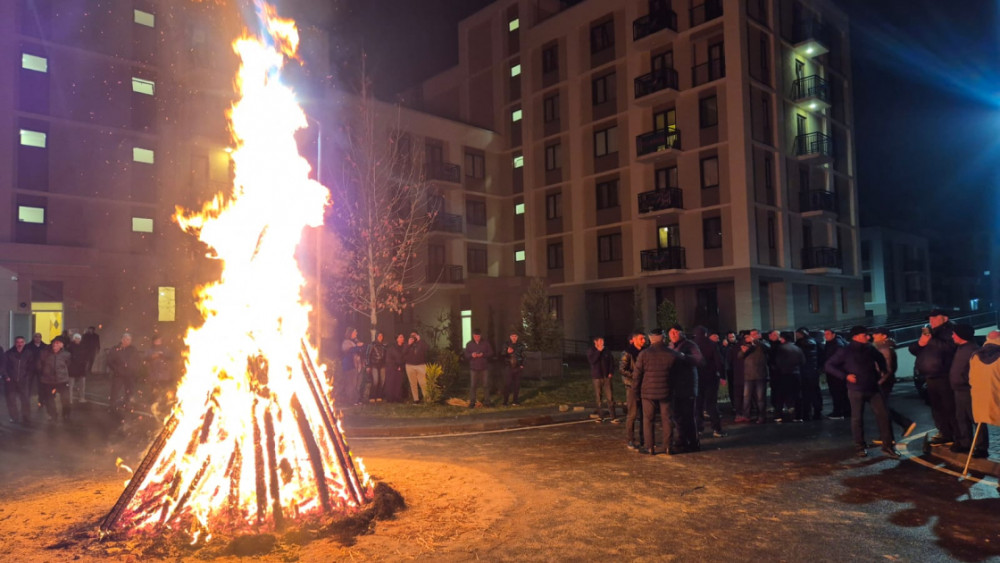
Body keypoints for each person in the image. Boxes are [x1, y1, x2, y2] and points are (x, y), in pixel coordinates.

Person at [825, 326, 900, 459]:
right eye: (865, 335)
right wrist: (845, 376)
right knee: (857, 419)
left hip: (873, 388)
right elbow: (829, 365)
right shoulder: (845, 351)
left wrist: (882, 370)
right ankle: (860, 447)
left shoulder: (870, 348)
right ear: (856, 337)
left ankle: (888, 446)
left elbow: (881, 359)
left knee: (884, 416)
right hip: (856, 390)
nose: (868, 337)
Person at [908, 309, 957, 445]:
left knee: (949, 406)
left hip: (944, 375)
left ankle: (955, 433)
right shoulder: (931, 332)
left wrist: (931, 340)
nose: (931, 320)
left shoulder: (951, 331)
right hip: (930, 376)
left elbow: (950, 348)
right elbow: (913, 349)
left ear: (945, 318)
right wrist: (921, 343)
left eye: (935, 318)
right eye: (930, 318)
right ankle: (944, 432)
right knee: (936, 406)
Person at [633, 328, 685, 455]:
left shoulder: (644, 354)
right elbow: (678, 373)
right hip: (666, 391)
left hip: (648, 392)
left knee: (648, 419)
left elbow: (637, 375)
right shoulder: (671, 353)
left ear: (651, 339)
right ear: (663, 338)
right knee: (667, 418)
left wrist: (635, 392)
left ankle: (649, 447)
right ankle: (668, 447)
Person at [871, 328, 916, 440]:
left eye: (877, 333)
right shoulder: (881, 347)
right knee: (882, 408)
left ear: (884, 336)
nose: (874, 335)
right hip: (883, 381)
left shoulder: (884, 349)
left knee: (881, 409)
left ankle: (902, 425)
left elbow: (888, 369)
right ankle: (888, 434)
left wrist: (879, 382)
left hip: (883, 382)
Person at [951, 324, 987, 456]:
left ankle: (981, 447)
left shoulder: (973, 350)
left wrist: (965, 380)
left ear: (962, 335)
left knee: (975, 418)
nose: (952, 336)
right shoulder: (961, 349)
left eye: (954, 333)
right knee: (961, 417)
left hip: (969, 390)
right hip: (959, 389)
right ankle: (966, 443)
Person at [669, 325, 704, 452]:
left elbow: (699, 360)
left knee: (688, 416)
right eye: (671, 332)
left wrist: (683, 356)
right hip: (675, 387)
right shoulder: (670, 346)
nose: (673, 334)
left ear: (682, 333)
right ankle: (681, 440)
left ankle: (693, 442)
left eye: (676, 332)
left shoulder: (690, 345)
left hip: (688, 386)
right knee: (677, 416)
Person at [968, 330, 1000, 458]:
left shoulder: (975, 355)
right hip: (997, 398)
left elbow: (971, 378)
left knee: (981, 421)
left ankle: (979, 449)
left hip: (980, 400)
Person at [692, 326, 725, 438]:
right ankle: (716, 428)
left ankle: (698, 428)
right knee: (711, 404)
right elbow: (719, 361)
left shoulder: (692, 345)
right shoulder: (711, 344)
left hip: (697, 378)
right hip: (711, 378)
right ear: (706, 334)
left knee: (698, 405)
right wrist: (722, 375)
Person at [619, 330, 647, 449]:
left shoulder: (645, 352)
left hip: (644, 386)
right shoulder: (627, 353)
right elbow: (622, 369)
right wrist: (635, 375)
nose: (644, 341)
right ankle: (630, 439)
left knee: (644, 414)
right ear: (634, 339)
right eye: (641, 338)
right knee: (632, 414)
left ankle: (644, 439)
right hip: (632, 386)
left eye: (644, 338)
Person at [737, 329, 770, 424]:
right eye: (751, 335)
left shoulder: (763, 343)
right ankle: (746, 415)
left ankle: (761, 417)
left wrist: (755, 341)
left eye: (755, 334)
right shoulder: (747, 345)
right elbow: (739, 356)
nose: (752, 336)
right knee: (746, 397)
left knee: (760, 398)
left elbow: (768, 347)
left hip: (760, 375)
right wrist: (743, 351)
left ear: (759, 335)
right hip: (748, 376)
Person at [107, 333, 142, 419]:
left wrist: (135, 370)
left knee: (129, 390)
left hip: (130, 374)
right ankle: (112, 406)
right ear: (121, 339)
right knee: (115, 390)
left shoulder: (133, 349)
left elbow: (138, 360)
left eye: (128, 340)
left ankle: (128, 404)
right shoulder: (115, 349)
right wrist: (116, 369)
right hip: (118, 374)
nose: (127, 341)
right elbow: (110, 361)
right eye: (125, 339)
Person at [772, 332, 805, 422]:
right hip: (796, 374)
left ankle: (779, 415)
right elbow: (803, 361)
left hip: (784, 374)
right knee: (797, 395)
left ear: (783, 339)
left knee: (781, 395)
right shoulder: (797, 348)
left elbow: (778, 362)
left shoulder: (781, 348)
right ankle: (798, 416)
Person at [38, 339, 72, 422]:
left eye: (58, 344)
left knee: (65, 398)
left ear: (61, 345)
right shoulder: (45, 353)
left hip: (62, 380)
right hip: (48, 380)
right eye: (54, 343)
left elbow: (68, 364)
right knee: (49, 399)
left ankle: (66, 414)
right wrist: (43, 373)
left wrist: (62, 373)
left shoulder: (66, 354)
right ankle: (52, 414)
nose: (55, 345)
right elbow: (40, 364)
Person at [4, 336, 34, 424]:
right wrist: (6, 376)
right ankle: (14, 417)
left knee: (25, 400)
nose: (19, 344)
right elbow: (4, 366)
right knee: (11, 400)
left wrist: (27, 376)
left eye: (21, 342)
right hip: (11, 381)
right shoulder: (9, 353)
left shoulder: (28, 353)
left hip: (23, 380)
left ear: (24, 343)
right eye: (18, 342)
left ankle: (26, 417)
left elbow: (31, 366)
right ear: (15, 343)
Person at [587, 336, 617, 422]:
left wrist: (611, 372)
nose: (602, 343)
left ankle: (613, 416)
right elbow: (592, 361)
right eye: (600, 341)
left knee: (610, 397)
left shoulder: (606, 350)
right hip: (597, 377)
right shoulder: (591, 351)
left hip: (606, 376)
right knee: (598, 397)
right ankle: (600, 416)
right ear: (595, 342)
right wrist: (598, 351)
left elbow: (611, 362)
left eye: (603, 341)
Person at [796, 327, 823, 421]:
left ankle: (806, 413)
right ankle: (817, 411)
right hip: (814, 371)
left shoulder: (799, 344)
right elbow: (821, 355)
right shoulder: (815, 342)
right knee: (815, 392)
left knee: (805, 393)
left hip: (804, 371)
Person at [822, 329, 850, 419]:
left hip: (836, 373)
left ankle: (839, 412)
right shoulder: (837, 343)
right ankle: (844, 411)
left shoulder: (836, 344)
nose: (825, 336)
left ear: (833, 334)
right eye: (824, 334)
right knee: (841, 393)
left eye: (827, 334)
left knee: (837, 393)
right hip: (838, 372)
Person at [464, 329, 494, 408]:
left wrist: (483, 354)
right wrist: (471, 355)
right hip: (473, 368)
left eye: (478, 336)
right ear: (473, 336)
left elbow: (491, 353)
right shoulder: (469, 344)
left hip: (484, 368)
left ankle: (487, 402)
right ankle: (472, 402)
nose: (476, 338)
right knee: (473, 386)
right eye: (475, 336)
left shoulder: (486, 343)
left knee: (486, 385)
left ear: (480, 336)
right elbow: (466, 355)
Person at [501, 331, 527, 406]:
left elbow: (524, 356)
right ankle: (505, 401)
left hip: (517, 367)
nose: (514, 338)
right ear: (510, 337)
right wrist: (507, 352)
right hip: (508, 367)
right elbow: (502, 355)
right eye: (512, 336)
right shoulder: (506, 344)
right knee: (507, 385)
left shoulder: (521, 345)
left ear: (517, 337)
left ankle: (515, 401)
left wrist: (522, 364)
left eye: (515, 336)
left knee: (517, 385)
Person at [403, 331, 429, 403]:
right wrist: (408, 344)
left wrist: (419, 340)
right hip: (410, 366)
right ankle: (416, 399)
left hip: (421, 365)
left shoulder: (421, 342)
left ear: (417, 335)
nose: (413, 337)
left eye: (415, 335)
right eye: (412, 335)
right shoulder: (407, 344)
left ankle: (427, 399)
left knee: (423, 383)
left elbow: (427, 348)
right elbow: (403, 353)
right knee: (413, 383)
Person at [341, 327, 364, 405]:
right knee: (351, 384)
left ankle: (356, 400)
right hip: (349, 366)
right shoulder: (346, 342)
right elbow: (350, 351)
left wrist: (360, 347)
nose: (356, 334)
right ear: (350, 333)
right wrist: (358, 347)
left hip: (356, 366)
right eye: (355, 332)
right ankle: (350, 401)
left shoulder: (355, 342)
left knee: (356, 384)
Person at [382, 334, 407, 403]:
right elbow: (389, 358)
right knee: (391, 383)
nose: (402, 338)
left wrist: (401, 366)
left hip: (400, 368)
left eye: (403, 337)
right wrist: (396, 366)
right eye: (401, 337)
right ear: (397, 339)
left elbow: (405, 357)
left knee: (399, 383)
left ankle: (398, 397)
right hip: (392, 368)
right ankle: (390, 398)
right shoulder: (392, 348)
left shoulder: (405, 347)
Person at [365, 332, 387, 402]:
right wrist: (368, 365)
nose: (380, 337)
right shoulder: (372, 345)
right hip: (374, 365)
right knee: (375, 381)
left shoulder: (383, 346)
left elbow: (385, 356)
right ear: (376, 336)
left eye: (381, 335)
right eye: (379, 335)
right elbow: (368, 355)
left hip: (382, 365)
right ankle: (372, 396)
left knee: (382, 381)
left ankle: (379, 395)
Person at [66, 333, 88, 403]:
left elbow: (85, 356)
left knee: (82, 384)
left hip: (81, 368)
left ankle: (81, 398)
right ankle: (70, 399)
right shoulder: (70, 347)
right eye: (76, 338)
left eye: (79, 338)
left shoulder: (83, 346)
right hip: (72, 368)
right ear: (74, 339)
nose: (77, 340)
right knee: (71, 385)